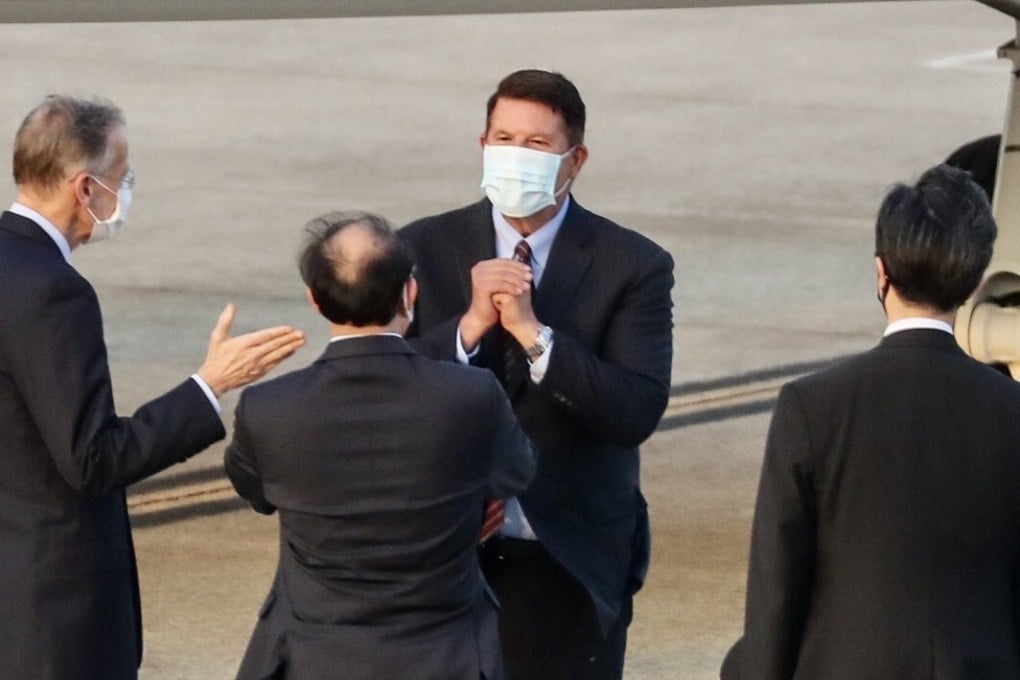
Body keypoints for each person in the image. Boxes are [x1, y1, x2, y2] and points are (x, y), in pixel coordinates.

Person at [0, 94, 306, 680]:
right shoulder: (53, 293)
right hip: (50, 622)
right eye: (122, 177)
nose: (127, 190)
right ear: (84, 189)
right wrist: (208, 386)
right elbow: (92, 459)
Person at [399, 69, 674, 679]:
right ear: (482, 145)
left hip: (564, 557)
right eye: (503, 139)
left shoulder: (633, 265)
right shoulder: (422, 246)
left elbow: (635, 410)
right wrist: (468, 328)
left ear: (575, 160)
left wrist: (534, 335)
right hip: (441, 556)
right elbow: (390, 388)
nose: (515, 157)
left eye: (537, 145)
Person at [721, 164, 1020, 679]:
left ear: (881, 272)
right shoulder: (1010, 410)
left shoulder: (812, 405)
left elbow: (776, 589)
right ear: (972, 285)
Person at [225, 211, 536, 680]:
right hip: (447, 656)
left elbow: (256, 491)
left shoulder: (269, 408)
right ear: (410, 293)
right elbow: (514, 472)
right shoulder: (472, 396)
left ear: (314, 299)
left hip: (315, 658)